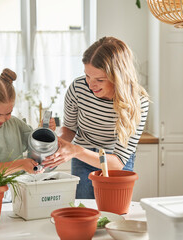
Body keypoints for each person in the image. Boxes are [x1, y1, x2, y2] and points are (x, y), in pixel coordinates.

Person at [43, 37, 149, 199]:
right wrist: (56, 142)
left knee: (114, 212)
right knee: (85, 209)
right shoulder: (78, 88)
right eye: (87, 76)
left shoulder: (137, 101)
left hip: (115, 159)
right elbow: (70, 129)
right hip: (82, 158)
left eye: (99, 80)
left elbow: (118, 162)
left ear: (118, 77)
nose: (91, 85)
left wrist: (76, 150)